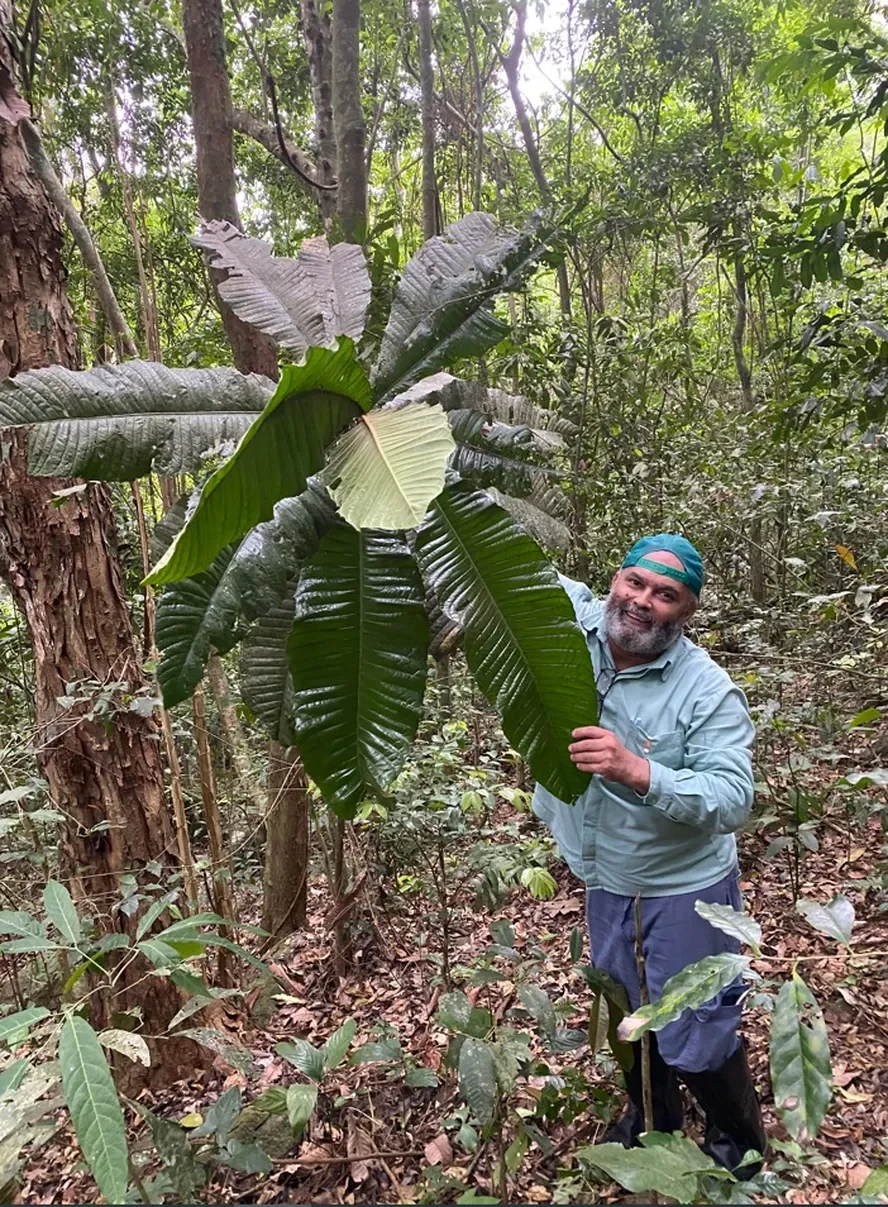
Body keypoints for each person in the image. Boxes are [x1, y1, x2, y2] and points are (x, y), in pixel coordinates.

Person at [532, 533, 767, 1179]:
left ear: (686, 611)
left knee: (696, 1019)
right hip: (604, 874)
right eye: (635, 582)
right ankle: (651, 1117)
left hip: (682, 885)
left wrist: (638, 770)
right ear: (616, 579)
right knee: (626, 1004)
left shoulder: (705, 689)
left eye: (666, 594)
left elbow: (732, 797)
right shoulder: (574, 622)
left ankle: (738, 1142)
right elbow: (508, 570)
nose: (643, 600)